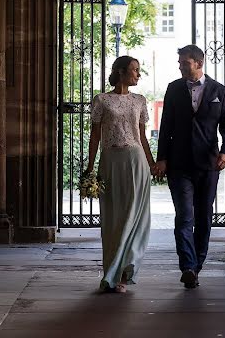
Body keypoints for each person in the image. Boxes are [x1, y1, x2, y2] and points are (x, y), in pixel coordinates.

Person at [155, 44, 225, 289]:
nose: (180, 66)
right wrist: (162, 158)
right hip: (179, 164)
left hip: (208, 164)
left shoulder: (219, 91)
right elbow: (166, 125)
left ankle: (197, 264)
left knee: (203, 216)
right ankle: (187, 266)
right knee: (184, 216)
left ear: (198, 63)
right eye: (179, 62)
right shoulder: (173, 89)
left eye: (184, 62)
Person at [86, 56, 155, 293]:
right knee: (113, 217)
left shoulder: (139, 101)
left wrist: (152, 162)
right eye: (135, 70)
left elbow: (142, 136)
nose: (138, 74)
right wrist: (90, 166)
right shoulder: (102, 100)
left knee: (133, 217)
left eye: (138, 70)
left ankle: (125, 272)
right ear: (121, 72)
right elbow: (95, 135)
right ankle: (110, 273)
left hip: (136, 162)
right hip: (110, 161)